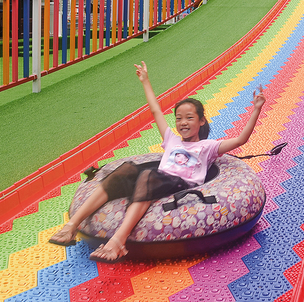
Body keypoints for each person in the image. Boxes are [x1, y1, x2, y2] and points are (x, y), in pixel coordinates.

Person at [48, 61, 266, 262]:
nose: (183, 122)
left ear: (201, 121)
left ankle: (118, 241)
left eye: (189, 118)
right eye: (179, 118)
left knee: (148, 175)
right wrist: (145, 80)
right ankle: (72, 226)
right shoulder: (171, 139)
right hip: (157, 179)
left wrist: (256, 109)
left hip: (181, 184)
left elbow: (241, 140)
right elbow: (155, 110)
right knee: (126, 170)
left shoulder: (207, 147)